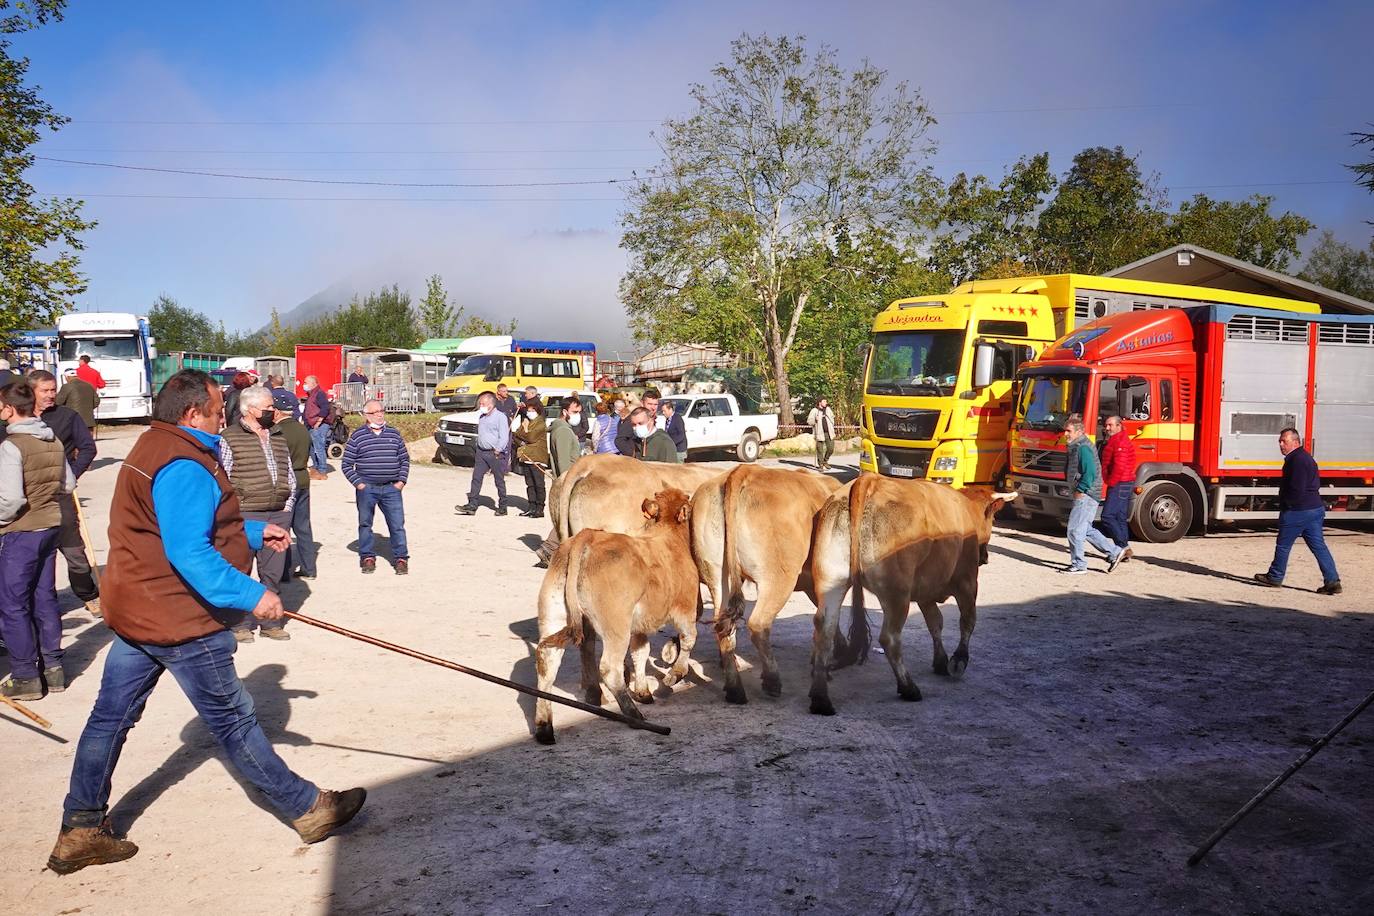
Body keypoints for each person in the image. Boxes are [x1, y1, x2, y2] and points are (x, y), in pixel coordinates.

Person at [48, 370, 365, 874]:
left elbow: (177, 528)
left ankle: (80, 829)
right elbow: (189, 552)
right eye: (219, 409)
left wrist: (253, 532)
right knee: (235, 722)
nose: (224, 415)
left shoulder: (154, 444)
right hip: (180, 617)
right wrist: (253, 594)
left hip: (139, 609)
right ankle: (307, 809)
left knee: (108, 720)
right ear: (193, 412)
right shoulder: (184, 463)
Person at [0, 381, 76, 701]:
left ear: (8, 408)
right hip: (49, 527)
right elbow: (68, 485)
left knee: (13, 604)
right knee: (43, 597)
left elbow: (11, 501)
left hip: (21, 532)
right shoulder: (52, 440)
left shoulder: (11, 445)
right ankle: (53, 668)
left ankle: (25, 675)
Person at [219, 386, 296, 641]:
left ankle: (271, 622)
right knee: (240, 569)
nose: (274, 411)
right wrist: (230, 514)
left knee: (272, 573)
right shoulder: (229, 438)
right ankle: (238, 624)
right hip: (245, 514)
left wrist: (286, 506)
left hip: (277, 514)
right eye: (269, 407)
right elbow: (224, 479)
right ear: (250, 409)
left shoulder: (277, 436)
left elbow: (289, 475)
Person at [27, 371, 100, 616]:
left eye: (52, 390)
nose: (50, 395)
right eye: (44, 391)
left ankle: (88, 593)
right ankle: (36, 598)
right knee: (32, 549)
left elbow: (88, 447)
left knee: (72, 547)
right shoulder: (18, 419)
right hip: (29, 495)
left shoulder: (67, 416)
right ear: (31, 391)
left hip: (61, 492)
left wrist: (73, 474)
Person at [1254, 428, 1341, 594]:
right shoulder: (1303, 457)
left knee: (1283, 545)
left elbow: (1297, 489)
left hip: (1299, 510)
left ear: (1295, 442)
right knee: (1319, 546)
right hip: (1314, 508)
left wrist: (1286, 504)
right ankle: (1332, 581)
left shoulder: (1297, 460)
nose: (1280, 444)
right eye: (1279, 441)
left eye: (1283, 441)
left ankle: (1275, 576)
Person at [342, 400, 410, 574]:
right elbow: (347, 464)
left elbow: (404, 460)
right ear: (366, 415)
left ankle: (401, 558)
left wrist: (401, 482)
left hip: (391, 489)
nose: (380, 414)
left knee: (397, 525)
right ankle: (367, 557)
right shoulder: (357, 436)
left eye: (382, 411)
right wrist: (360, 484)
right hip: (368, 489)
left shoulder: (394, 434)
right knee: (365, 524)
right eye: (375, 412)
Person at [1062, 416, 1125, 575]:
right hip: (1088, 494)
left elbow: (1089, 473)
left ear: (1079, 432)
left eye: (1068, 431)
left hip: (1086, 494)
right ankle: (1115, 552)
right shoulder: (1078, 445)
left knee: (1074, 530)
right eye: (1065, 431)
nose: (1065, 434)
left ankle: (1079, 564)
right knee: (1086, 529)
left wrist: (1080, 490)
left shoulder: (1082, 447)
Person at [272, 390, 316, 580]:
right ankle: (309, 568)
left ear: (278, 411)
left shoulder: (277, 431)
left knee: (282, 527)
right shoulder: (302, 429)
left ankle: (283, 571)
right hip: (303, 478)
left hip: (286, 481)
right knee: (303, 526)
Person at [457, 392, 510, 516]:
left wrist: (498, 449)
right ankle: (472, 505)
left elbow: (504, 436)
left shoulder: (500, 417)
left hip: (494, 453)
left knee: (499, 480)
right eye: (480, 403)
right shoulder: (482, 417)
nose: (481, 406)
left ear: (491, 404)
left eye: (483, 403)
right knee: (476, 478)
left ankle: (503, 506)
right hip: (481, 452)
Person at [1098, 414, 1136, 555]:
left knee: (1107, 516)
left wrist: (1111, 482)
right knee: (1119, 516)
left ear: (1119, 426)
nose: (1107, 428)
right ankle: (1123, 548)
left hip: (1120, 482)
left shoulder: (1120, 442)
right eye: (1106, 425)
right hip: (1123, 482)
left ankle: (1123, 546)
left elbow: (1119, 466)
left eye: (1110, 425)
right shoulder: (1117, 440)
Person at [512, 400, 549, 518]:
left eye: (532, 410)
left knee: (539, 483)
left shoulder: (541, 423)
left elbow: (532, 437)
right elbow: (516, 435)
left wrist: (526, 430)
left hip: (537, 457)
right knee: (530, 484)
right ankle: (531, 506)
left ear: (537, 411)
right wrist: (523, 439)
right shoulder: (526, 421)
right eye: (528, 410)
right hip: (526, 456)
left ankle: (540, 508)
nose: (530, 412)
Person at [301, 375, 331, 479]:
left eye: (306, 382)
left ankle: (322, 470)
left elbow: (325, 408)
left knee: (319, 447)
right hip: (310, 424)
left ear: (313, 383)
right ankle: (316, 467)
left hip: (319, 424)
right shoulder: (311, 394)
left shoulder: (319, 393)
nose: (304, 385)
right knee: (311, 448)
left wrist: (319, 421)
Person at [548, 395, 583, 477]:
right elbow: (563, 462)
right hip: (568, 479)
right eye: (575, 412)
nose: (578, 415)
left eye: (579, 412)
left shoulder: (562, 428)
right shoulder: (563, 430)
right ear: (564, 412)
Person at [807, 398, 836, 470]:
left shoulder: (828, 409)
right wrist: (815, 420)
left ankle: (825, 461)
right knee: (820, 450)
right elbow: (809, 421)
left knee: (831, 449)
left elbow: (832, 418)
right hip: (819, 433)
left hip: (829, 433)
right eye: (824, 401)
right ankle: (820, 465)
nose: (826, 402)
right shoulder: (814, 411)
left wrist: (832, 425)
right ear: (820, 402)